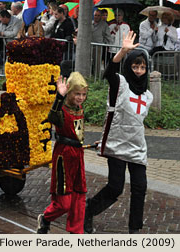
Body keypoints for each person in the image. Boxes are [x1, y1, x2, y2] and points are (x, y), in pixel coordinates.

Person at [84, 31, 153, 234]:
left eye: (142, 67)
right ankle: (88, 210)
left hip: (137, 146)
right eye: (135, 66)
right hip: (116, 143)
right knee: (116, 187)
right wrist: (122, 52)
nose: (139, 71)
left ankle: (134, 230)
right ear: (128, 67)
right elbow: (109, 73)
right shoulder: (120, 85)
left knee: (140, 187)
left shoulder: (148, 95)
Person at [37, 71, 88, 234]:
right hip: (64, 155)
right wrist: (59, 97)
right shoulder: (62, 109)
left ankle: (76, 233)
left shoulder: (79, 108)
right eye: (77, 94)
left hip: (77, 155)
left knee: (79, 197)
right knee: (64, 202)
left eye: (83, 94)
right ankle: (45, 218)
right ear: (70, 92)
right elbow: (52, 117)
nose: (80, 97)